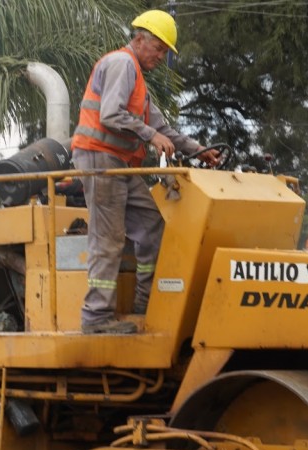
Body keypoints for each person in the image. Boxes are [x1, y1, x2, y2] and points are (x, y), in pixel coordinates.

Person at [72, 9, 222, 335]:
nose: (161, 56)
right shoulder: (121, 64)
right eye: (159, 48)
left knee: (152, 223)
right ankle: (96, 318)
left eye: (164, 51)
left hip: (119, 165)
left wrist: (198, 150)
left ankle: (144, 302)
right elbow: (111, 115)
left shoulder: (138, 81)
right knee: (108, 237)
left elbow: (161, 126)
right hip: (99, 160)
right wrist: (151, 136)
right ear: (140, 39)